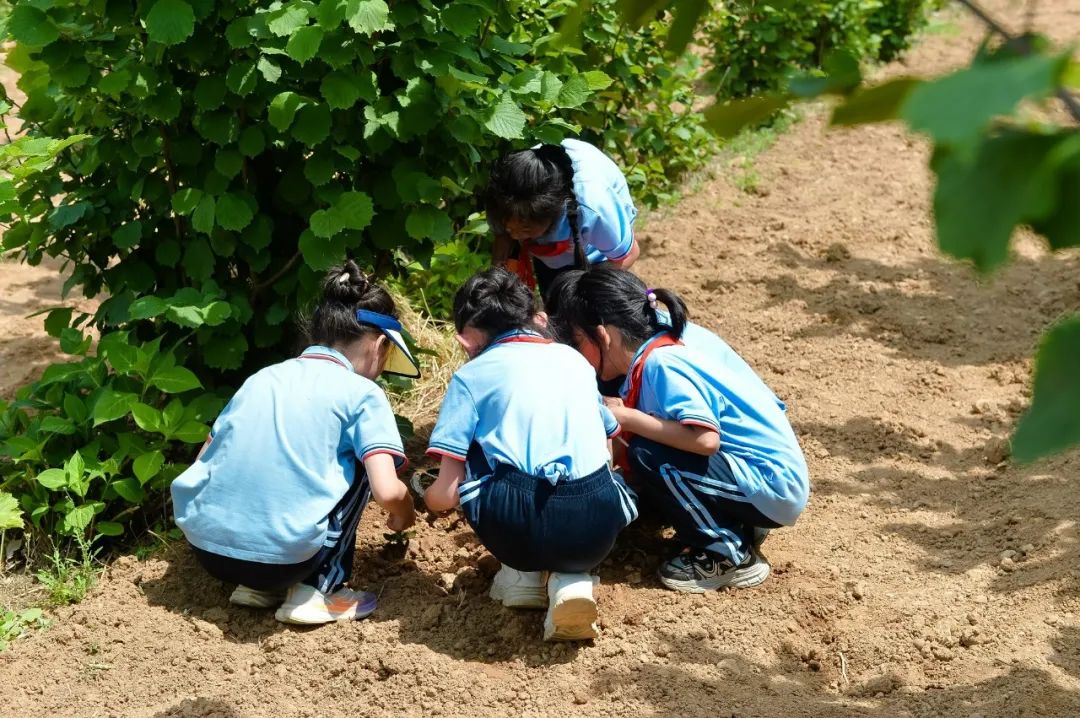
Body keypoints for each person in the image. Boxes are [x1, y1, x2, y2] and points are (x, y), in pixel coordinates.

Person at [171, 261, 420, 624]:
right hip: (285, 559)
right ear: (380, 345)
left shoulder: (262, 378)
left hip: (209, 551)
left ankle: (256, 587)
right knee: (369, 464)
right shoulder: (363, 393)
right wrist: (405, 512)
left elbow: (204, 457)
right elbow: (385, 489)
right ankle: (319, 591)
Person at [547, 267, 809, 593]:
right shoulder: (667, 342)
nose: (577, 353)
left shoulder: (662, 365)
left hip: (774, 487)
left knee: (650, 455)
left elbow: (705, 440)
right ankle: (738, 522)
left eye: (578, 341)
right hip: (766, 474)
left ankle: (729, 553)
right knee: (648, 453)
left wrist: (625, 417)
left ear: (602, 336)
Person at [423, 267, 637, 641]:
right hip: (596, 528)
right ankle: (571, 582)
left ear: (465, 341)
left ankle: (520, 574)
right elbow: (608, 444)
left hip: (517, 526)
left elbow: (447, 494)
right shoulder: (575, 362)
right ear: (536, 320)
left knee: (477, 451)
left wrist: (426, 497)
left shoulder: (471, 377)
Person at [486, 139, 640, 298]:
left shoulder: (593, 208)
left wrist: (582, 293)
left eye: (525, 229)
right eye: (509, 228)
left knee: (586, 304)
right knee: (554, 298)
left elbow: (628, 255)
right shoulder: (504, 193)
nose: (515, 236)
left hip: (598, 248)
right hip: (555, 234)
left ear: (552, 215)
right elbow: (502, 240)